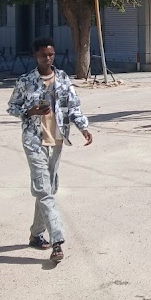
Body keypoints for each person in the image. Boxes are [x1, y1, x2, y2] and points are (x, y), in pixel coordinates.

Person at [7, 37, 93, 263]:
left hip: (56, 140)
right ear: (35, 56)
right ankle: (57, 241)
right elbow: (12, 107)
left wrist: (83, 128)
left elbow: (73, 107)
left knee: (49, 188)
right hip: (34, 141)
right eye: (43, 55)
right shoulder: (25, 81)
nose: (48, 58)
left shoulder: (63, 78)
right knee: (44, 190)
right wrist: (30, 111)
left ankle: (36, 234)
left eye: (51, 54)